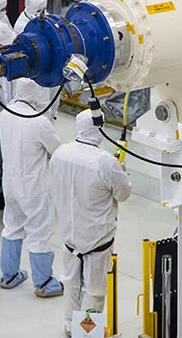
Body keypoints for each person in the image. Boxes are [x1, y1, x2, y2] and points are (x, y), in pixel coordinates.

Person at [52, 109, 132, 334]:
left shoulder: (60, 153)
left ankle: (70, 327)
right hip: (96, 240)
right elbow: (123, 194)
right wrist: (121, 172)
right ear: (99, 127)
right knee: (94, 291)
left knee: (71, 284)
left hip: (69, 235)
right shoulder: (105, 162)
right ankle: (86, 333)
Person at [0, 80, 63, 297]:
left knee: (12, 225)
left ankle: (9, 275)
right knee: (39, 232)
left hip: (10, 183)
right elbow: (58, 152)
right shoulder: (38, 122)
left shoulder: (6, 114)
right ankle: (44, 282)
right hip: (34, 187)